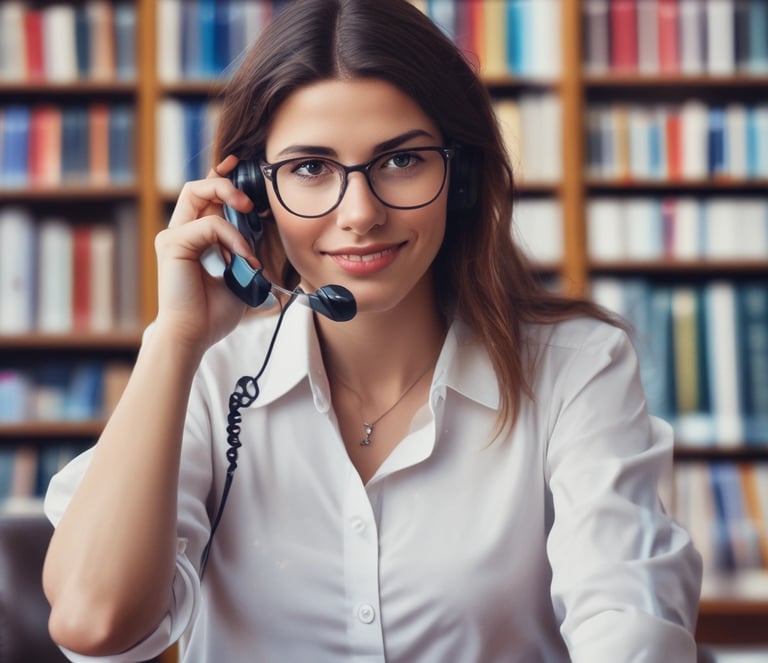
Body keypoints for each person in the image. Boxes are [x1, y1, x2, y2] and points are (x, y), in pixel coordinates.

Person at [42, 1, 702, 661]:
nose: (360, 214)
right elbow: (95, 622)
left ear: (461, 176)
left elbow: (630, 619)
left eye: (401, 161)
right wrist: (174, 338)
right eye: (310, 168)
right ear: (250, 190)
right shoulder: (211, 380)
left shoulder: (575, 367)